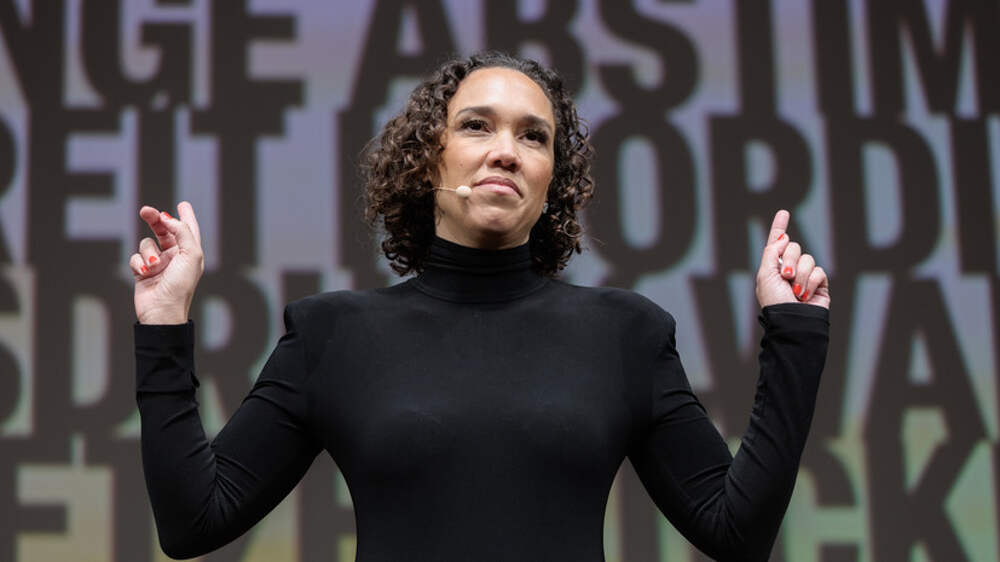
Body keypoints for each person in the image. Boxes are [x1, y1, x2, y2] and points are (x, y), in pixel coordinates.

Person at [131, 52, 830, 561]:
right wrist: (163, 322)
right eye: (476, 126)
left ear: (553, 180)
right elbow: (195, 522)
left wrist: (794, 333)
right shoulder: (332, 334)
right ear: (427, 158)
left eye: (533, 136)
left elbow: (736, 533)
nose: (506, 152)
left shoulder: (626, 334)